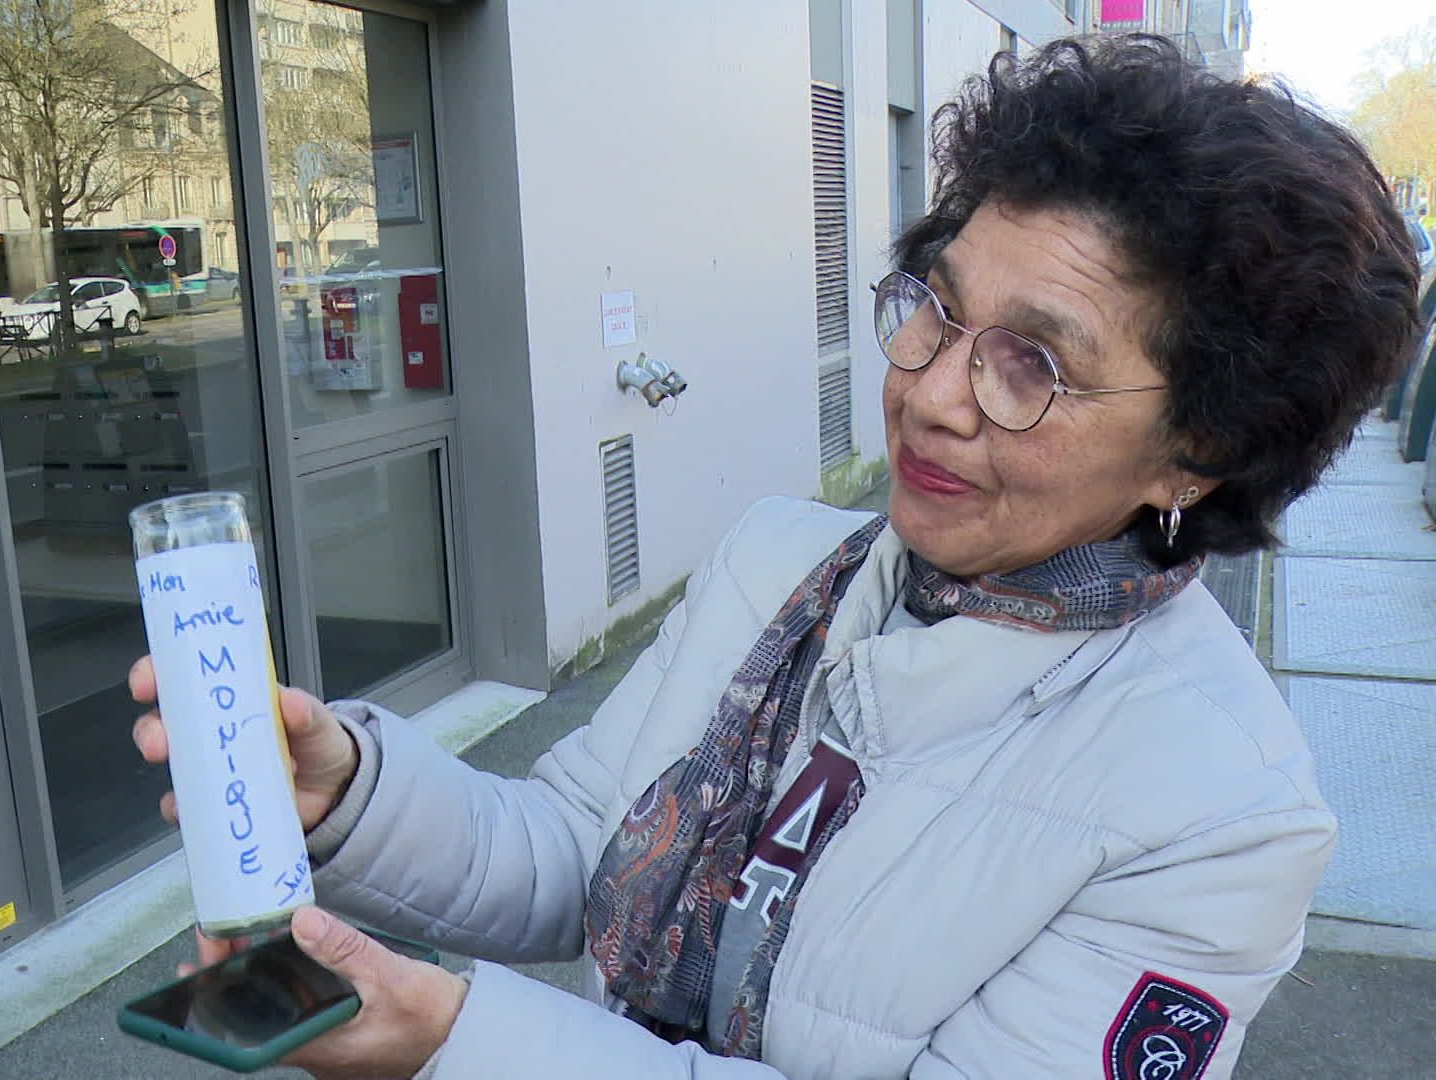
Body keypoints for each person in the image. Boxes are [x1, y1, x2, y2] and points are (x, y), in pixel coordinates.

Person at [131, 35, 1420, 1080]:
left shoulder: (1219, 809)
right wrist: (347, 791)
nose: (932, 394)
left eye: (1032, 363)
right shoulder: (778, 565)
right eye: (938, 308)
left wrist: (458, 1047)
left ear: (1199, 449)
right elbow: (576, 844)